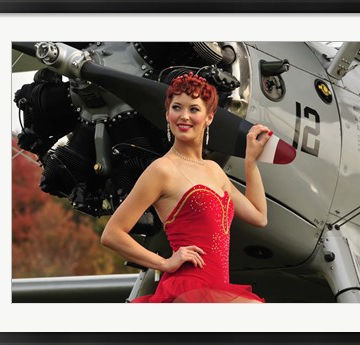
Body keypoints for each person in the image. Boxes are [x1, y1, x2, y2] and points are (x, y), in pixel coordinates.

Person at [101, 72, 273, 303]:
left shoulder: (214, 170)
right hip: (187, 290)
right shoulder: (161, 170)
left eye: (193, 109)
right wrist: (164, 263)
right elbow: (112, 234)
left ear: (209, 117)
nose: (184, 116)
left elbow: (259, 217)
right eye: (176, 108)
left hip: (218, 291)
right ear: (167, 114)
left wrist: (250, 162)